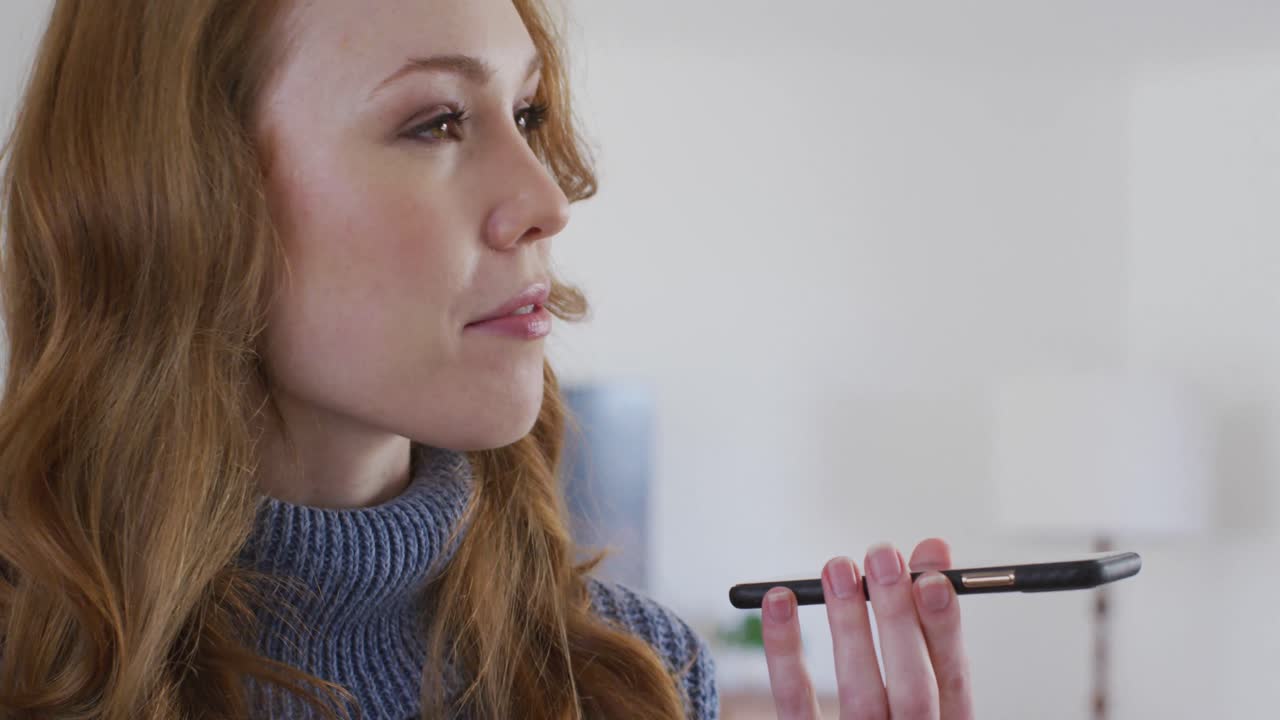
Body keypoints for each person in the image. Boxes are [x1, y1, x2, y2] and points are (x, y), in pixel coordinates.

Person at [0, 0, 975, 718]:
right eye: (435, 121)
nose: (548, 199)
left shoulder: (636, 676)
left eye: (529, 115)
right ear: (175, 196)